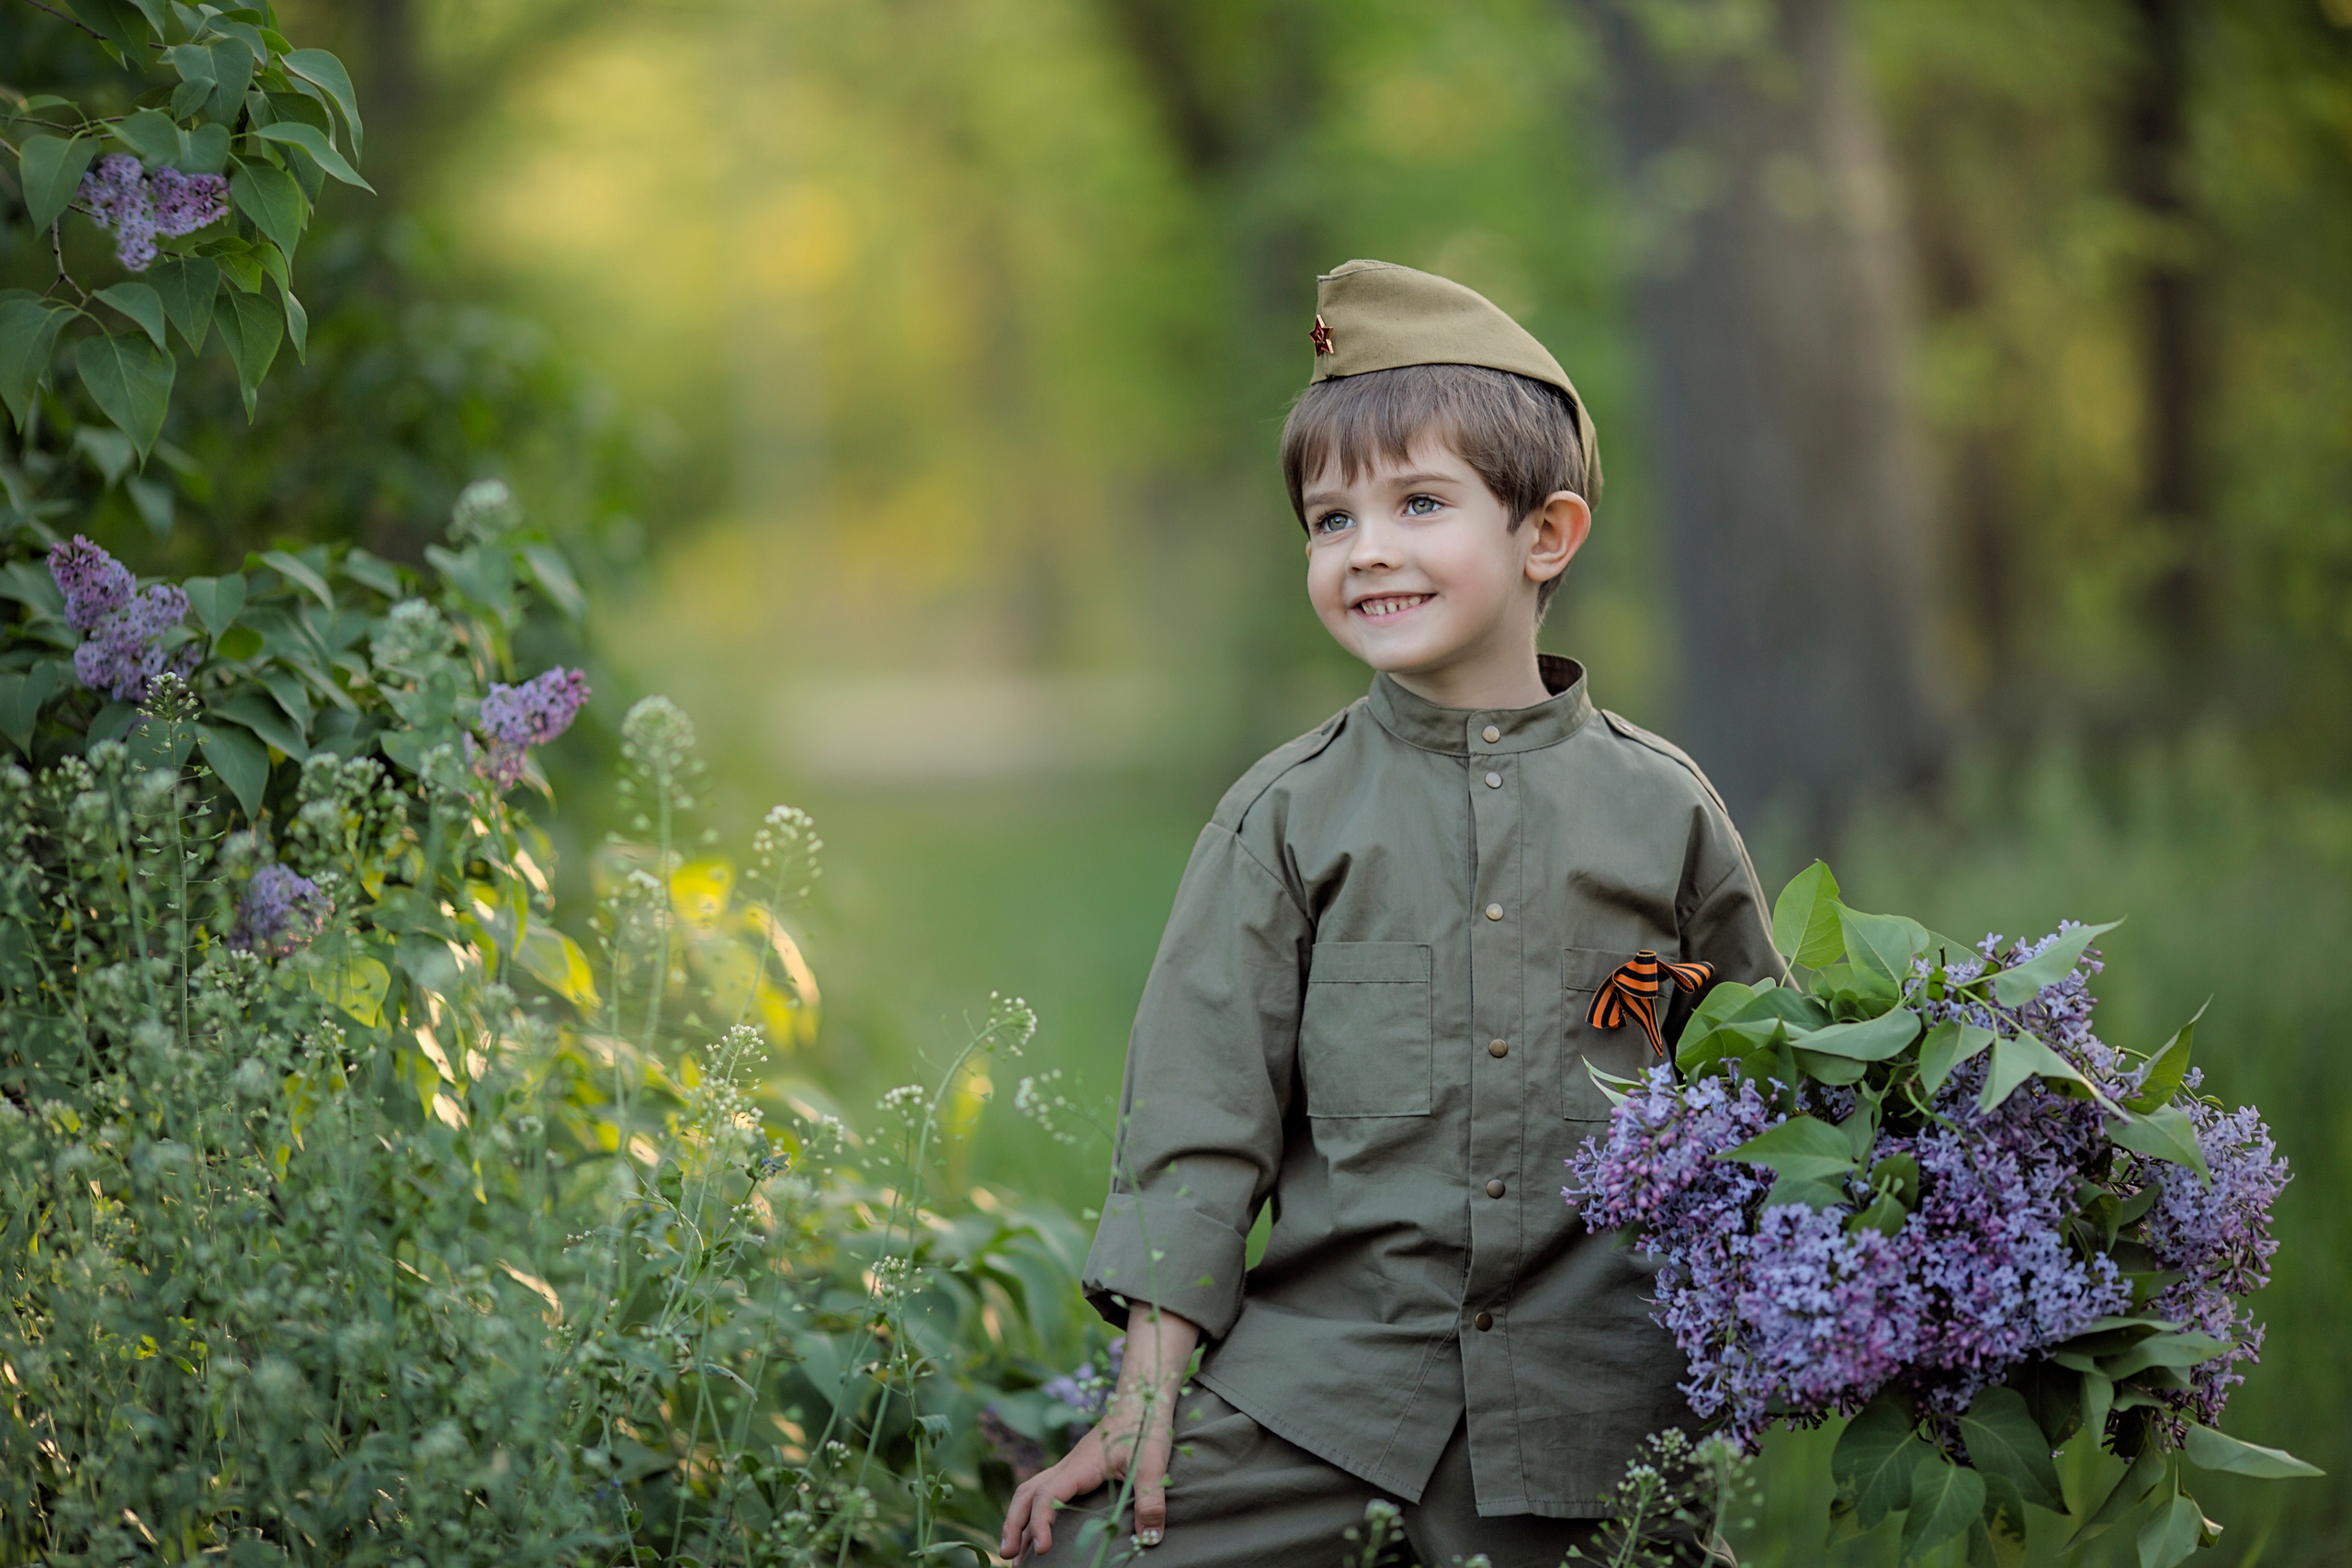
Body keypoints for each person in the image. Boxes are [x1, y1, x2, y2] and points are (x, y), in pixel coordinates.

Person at [999, 260, 1781, 1567]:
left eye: (1420, 502)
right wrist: (1145, 1391)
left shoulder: (1664, 815)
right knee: (1095, 1554)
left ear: (1546, 534)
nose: (1366, 550)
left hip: (1581, 1424)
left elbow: (1755, 1081)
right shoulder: (1287, 819)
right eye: (1329, 519)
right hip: (1324, 1398)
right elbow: (1198, 1125)